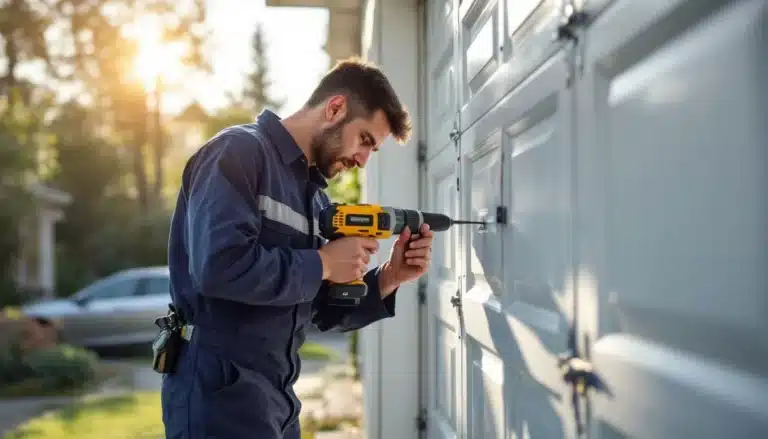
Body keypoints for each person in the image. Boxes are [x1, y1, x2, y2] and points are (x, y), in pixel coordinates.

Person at [160, 57, 434, 439]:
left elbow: (318, 310)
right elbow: (219, 268)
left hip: (278, 400)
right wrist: (323, 263)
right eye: (365, 140)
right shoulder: (238, 153)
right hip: (218, 395)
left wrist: (389, 277)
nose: (363, 160)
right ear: (335, 108)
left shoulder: (315, 198)